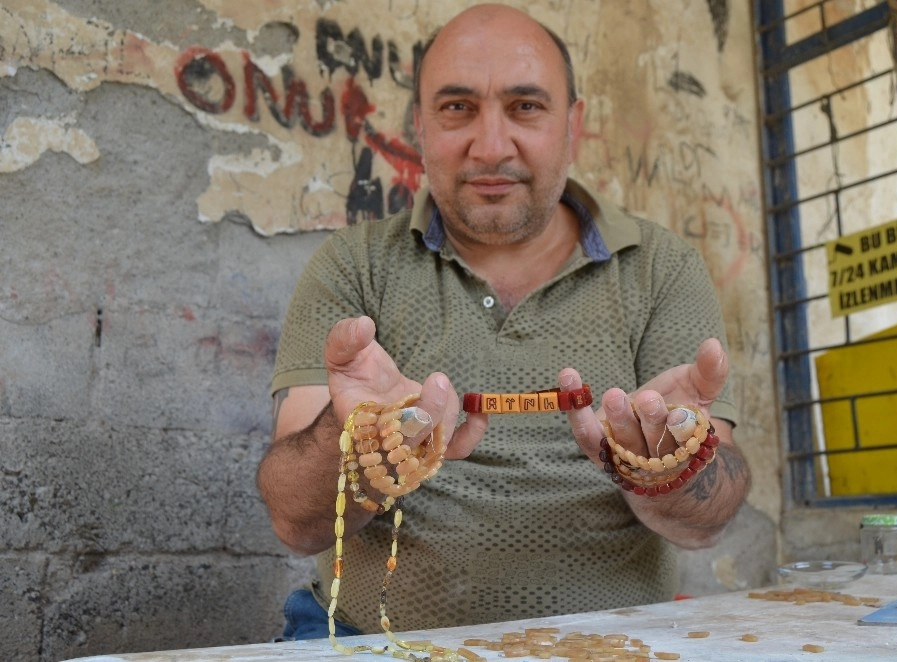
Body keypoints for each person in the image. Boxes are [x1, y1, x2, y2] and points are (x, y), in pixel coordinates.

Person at [257, 2, 751, 640]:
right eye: (457, 107)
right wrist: (355, 439)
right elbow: (295, 522)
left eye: (526, 106)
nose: (491, 147)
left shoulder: (663, 269)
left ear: (572, 124)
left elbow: (705, 522)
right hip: (371, 641)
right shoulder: (353, 266)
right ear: (420, 126)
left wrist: (666, 464)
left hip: (615, 646)